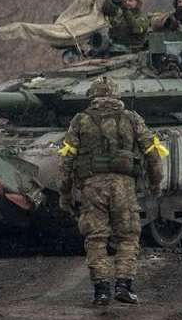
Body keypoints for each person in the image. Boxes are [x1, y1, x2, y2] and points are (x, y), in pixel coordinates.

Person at [58, 75, 167, 306]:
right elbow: (152, 152)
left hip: (92, 187)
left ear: (92, 96)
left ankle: (101, 291)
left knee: (96, 238)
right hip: (124, 186)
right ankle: (124, 287)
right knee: (127, 236)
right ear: (116, 95)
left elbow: (66, 159)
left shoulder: (80, 121)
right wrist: (156, 182)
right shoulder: (132, 118)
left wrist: (65, 193)